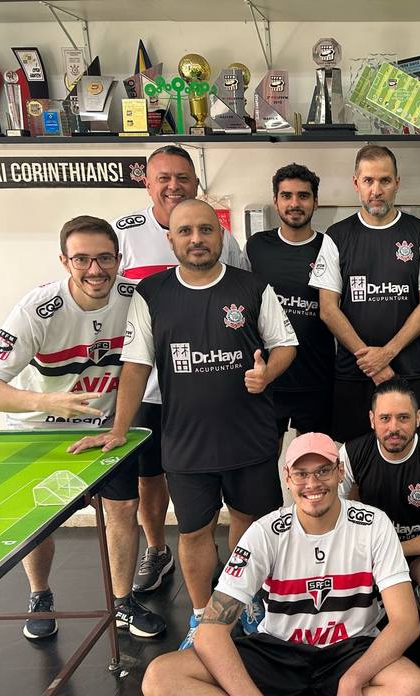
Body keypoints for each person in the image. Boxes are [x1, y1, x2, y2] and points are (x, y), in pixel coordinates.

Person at [69, 199, 298, 649]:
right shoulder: (151, 294)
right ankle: (201, 617)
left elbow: (285, 345)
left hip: (250, 436)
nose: (197, 239)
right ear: (171, 239)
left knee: (249, 527)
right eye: (186, 231)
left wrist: (267, 373)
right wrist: (119, 428)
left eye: (206, 230)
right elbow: (135, 366)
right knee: (194, 533)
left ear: (220, 236)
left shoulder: (253, 287)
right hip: (186, 442)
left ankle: (244, 603)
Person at [141, 433, 420, 696]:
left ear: (340, 472)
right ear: (287, 478)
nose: (313, 483)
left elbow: (405, 622)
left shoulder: (374, 524)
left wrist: (353, 680)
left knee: (413, 691)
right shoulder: (264, 532)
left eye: (323, 471)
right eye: (301, 474)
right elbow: (210, 633)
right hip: (278, 651)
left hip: (350, 651)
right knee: (160, 678)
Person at [0, 215, 165, 640]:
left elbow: (135, 369)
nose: (95, 269)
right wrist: (47, 401)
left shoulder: (135, 297)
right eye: (82, 259)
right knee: (40, 520)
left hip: (105, 428)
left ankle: (122, 602)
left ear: (118, 258)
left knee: (122, 509)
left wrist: (119, 426)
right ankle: (40, 595)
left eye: (105, 258)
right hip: (39, 430)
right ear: (64, 261)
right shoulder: (36, 309)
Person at [113, 145, 250, 595]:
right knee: (151, 478)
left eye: (183, 178)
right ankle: (157, 548)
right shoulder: (124, 234)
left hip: (210, 385)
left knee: (225, 485)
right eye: (164, 178)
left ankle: (231, 570)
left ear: (196, 183)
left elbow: (243, 294)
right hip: (151, 388)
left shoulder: (220, 235)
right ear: (147, 183)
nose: (174, 186)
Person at [310, 144, 420, 443]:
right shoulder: (337, 236)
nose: (376, 190)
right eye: (368, 180)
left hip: (406, 371)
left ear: (397, 183)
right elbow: (328, 309)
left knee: (407, 454)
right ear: (356, 183)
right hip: (354, 373)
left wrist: (386, 355)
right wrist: (370, 362)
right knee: (353, 459)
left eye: (385, 180)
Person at [338, 378, 420, 643]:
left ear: (418, 418)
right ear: (372, 419)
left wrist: (393, 550)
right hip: (369, 552)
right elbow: (332, 509)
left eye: (403, 418)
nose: (393, 428)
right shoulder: (350, 453)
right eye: (385, 418)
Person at [246, 164, 335, 442]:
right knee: (264, 458)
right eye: (286, 196)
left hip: (316, 377)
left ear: (315, 202)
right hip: (268, 377)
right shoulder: (256, 246)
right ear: (276, 201)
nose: (294, 204)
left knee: (313, 458)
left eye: (303, 196)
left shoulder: (330, 247)